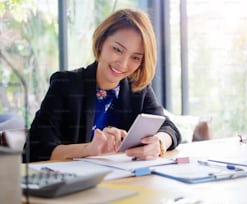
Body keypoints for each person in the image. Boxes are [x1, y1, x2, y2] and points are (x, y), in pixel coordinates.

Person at [23, 8, 181, 162]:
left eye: (135, 57)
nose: (123, 64)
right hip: (77, 183)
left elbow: (168, 127)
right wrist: (89, 149)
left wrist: (159, 142)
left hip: (123, 181)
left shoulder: (137, 89)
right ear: (101, 43)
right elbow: (36, 149)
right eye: (117, 50)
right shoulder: (65, 84)